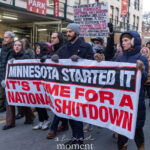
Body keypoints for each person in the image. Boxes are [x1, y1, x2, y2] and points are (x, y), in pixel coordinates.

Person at [51, 23, 93, 148]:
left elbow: (92, 64)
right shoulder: (65, 47)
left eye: (70, 31)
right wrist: (51, 58)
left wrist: (80, 60)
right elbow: (55, 57)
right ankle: (75, 137)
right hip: (66, 87)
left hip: (80, 87)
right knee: (70, 114)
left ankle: (79, 140)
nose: (67, 33)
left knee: (77, 114)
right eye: (67, 31)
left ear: (77, 33)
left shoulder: (86, 47)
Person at [115, 31, 148, 150]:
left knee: (137, 130)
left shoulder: (142, 58)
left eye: (126, 40)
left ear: (134, 42)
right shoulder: (119, 57)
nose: (123, 43)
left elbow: (144, 80)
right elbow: (110, 73)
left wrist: (142, 70)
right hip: (121, 101)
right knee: (122, 131)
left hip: (135, 101)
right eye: (122, 41)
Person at [2, 40, 35, 130]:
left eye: (19, 45)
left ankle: (30, 117)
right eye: (15, 45)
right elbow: (4, 67)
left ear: (22, 47)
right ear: (13, 46)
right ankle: (10, 123)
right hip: (11, 83)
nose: (17, 47)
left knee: (22, 101)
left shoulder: (26, 56)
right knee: (10, 101)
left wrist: (16, 62)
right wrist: (3, 79)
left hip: (21, 83)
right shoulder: (10, 55)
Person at [47, 32, 69, 139]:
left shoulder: (64, 48)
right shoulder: (52, 48)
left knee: (60, 104)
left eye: (54, 38)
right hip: (55, 81)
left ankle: (53, 128)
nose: (52, 39)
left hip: (64, 81)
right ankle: (64, 124)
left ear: (59, 38)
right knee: (60, 103)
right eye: (51, 38)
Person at [32, 42, 50, 130]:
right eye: (36, 48)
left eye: (39, 48)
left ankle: (46, 120)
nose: (37, 50)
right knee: (37, 104)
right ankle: (41, 121)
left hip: (44, 85)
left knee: (42, 103)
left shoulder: (47, 58)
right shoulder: (34, 59)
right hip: (36, 85)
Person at [0, 31, 14, 113]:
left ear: (11, 39)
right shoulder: (3, 48)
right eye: (4, 37)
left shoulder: (13, 48)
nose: (4, 39)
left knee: (7, 94)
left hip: (8, 75)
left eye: (6, 37)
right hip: (2, 73)